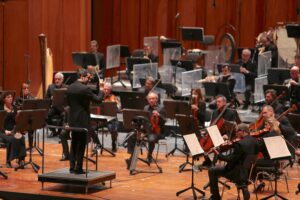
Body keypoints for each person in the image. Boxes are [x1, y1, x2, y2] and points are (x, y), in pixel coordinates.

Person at [208, 123, 259, 200]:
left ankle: (215, 197)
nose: (235, 134)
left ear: (242, 131)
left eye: (236, 131)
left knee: (212, 170)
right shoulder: (255, 141)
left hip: (237, 173)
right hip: (249, 173)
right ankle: (243, 186)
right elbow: (241, 156)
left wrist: (218, 155)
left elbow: (231, 160)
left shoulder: (240, 143)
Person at [66, 69, 103, 174]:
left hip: (72, 119)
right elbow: (98, 100)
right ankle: (79, 168)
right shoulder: (85, 89)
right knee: (81, 144)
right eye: (88, 78)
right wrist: (102, 90)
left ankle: (72, 167)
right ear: (82, 76)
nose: (89, 80)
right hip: (82, 120)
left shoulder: (70, 87)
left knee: (73, 142)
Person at [126, 91, 165, 166]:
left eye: (153, 99)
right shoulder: (146, 107)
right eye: (149, 99)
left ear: (156, 99)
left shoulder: (161, 108)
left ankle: (149, 156)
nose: (151, 100)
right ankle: (132, 156)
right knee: (131, 135)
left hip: (157, 131)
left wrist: (159, 115)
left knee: (151, 138)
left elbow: (164, 120)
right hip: (146, 129)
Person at [0, 92, 26, 168]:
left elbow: (16, 121)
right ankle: (8, 161)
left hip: (13, 130)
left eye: (11, 97)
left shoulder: (14, 108)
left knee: (21, 137)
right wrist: (5, 131)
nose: (10, 98)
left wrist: (19, 116)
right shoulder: (1, 108)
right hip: (2, 131)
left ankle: (21, 160)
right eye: (8, 97)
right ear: (4, 99)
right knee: (11, 139)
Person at [15, 82, 36, 151]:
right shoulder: (18, 99)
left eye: (27, 88)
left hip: (28, 119)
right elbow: (16, 109)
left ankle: (30, 146)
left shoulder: (31, 98)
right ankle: (19, 146)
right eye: (24, 88)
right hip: (20, 119)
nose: (26, 90)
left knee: (31, 126)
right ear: (21, 90)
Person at [100, 83, 120, 152]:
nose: (106, 91)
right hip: (100, 119)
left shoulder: (113, 97)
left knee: (114, 129)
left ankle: (113, 143)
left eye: (107, 90)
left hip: (111, 119)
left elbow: (119, 108)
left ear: (110, 90)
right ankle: (97, 143)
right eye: (104, 89)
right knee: (91, 128)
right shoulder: (99, 96)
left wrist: (114, 103)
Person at [45, 72, 67, 137]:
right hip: (53, 107)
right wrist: (50, 99)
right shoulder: (50, 87)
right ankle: (53, 130)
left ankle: (60, 132)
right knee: (45, 114)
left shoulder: (66, 87)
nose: (57, 81)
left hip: (62, 108)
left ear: (62, 79)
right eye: (55, 79)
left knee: (64, 114)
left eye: (59, 79)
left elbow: (68, 99)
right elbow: (46, 99)